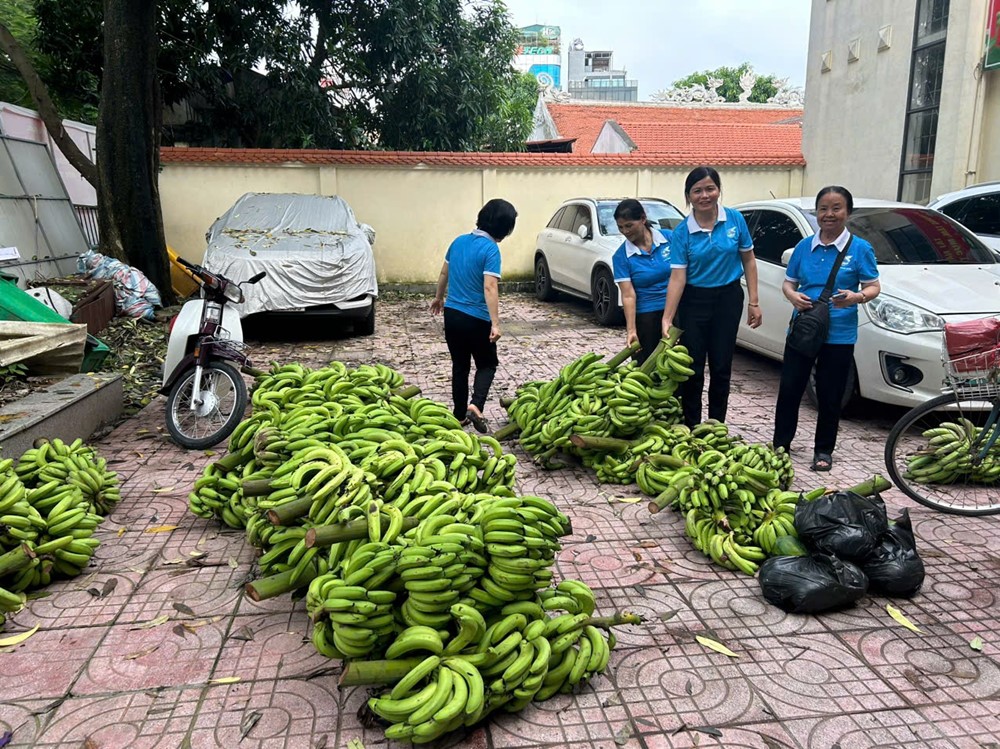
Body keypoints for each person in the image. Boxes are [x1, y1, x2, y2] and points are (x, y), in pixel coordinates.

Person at [772, 185, 880, 471]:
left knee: (830, 395)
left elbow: (873, 286)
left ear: (847, 212)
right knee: (790, 390)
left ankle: (823, 451)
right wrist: (792, 296)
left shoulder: (860, 249)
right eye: (823, 209)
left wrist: (856, 298)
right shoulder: (803, 248)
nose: (829, 214)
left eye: (836, 208)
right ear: (816, 212)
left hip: (839, 333)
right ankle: (780, 445)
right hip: (804, 328)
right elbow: (789, 281)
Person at [661, 166, 762, 426]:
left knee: (721, 366)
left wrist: (754, 301)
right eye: (697, 191)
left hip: (728, 298)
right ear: (688, 196)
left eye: (710, 189)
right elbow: (678, 278)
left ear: (718, 190)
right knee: (693, 368)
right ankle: (692, 425)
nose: (704, 195)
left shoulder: (735, 219)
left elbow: (749, 260)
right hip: (694, 301)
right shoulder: (682, 232)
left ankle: (716, 425)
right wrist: (667, 318)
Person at [430, 198, 517, 433]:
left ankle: (459, 416)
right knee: (487, 364)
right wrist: (496, 323)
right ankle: (475, 406)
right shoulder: (490, 249)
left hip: (452, 315)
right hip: (476, 318)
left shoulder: (458, 242)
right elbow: (490, 287)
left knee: (460, 366)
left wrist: (439, 298)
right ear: (504, 228)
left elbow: (444, 272)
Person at [610, 199, 673, 364]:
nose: (625, 231)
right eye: (621, 227)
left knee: (677, 364)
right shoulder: (621, 256)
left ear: (643, 219)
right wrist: (631, 330)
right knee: (647, 366)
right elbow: (628, 295)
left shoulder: (669, 239)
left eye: (629, 225)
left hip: (676, 310)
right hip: (647, 316)